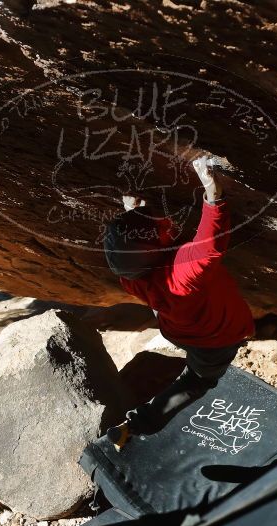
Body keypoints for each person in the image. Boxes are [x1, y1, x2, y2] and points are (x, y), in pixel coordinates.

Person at [103, 155, 255, 449]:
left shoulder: (131, 275)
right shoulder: (183, 272)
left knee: (195, 373)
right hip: (214, 340)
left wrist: (132, 211)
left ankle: (129, 427)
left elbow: (135, 253)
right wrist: (213, 194)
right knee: (196, 381)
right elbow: (210, 244)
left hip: (177, 329)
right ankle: (137, 424)